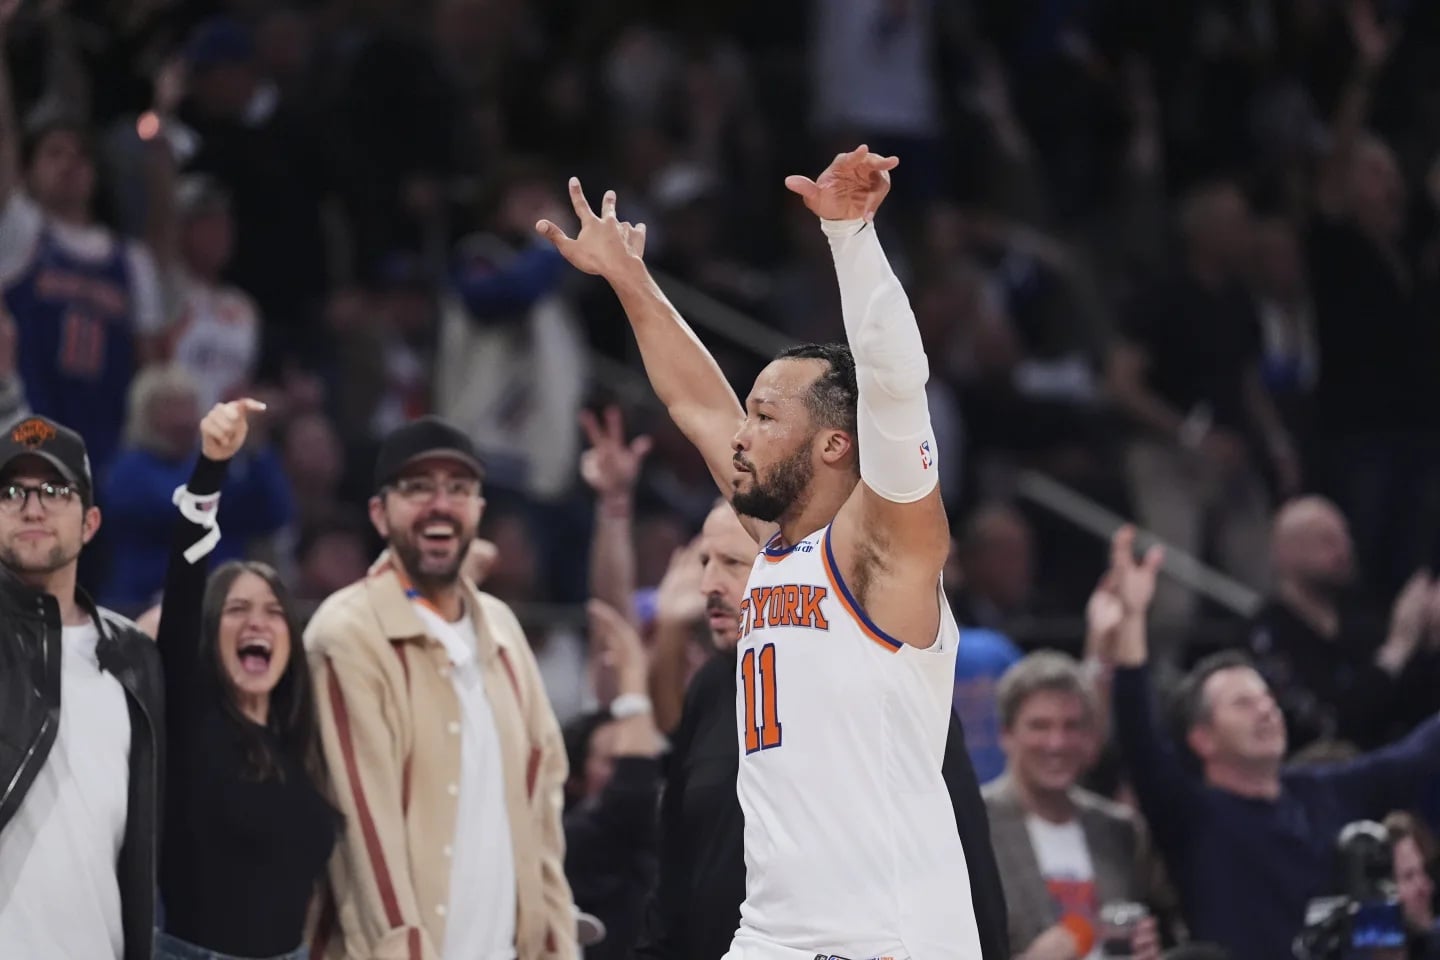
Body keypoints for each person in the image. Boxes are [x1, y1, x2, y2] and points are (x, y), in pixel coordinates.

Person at [540, 145, 979, 958]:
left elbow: (894, 385)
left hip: (883, 938)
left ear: (835, 444)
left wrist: (851, 239)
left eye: (767, 417)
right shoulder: (777, 546)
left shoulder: (882, 554)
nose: (741, 433)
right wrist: (630, 281)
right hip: (774, 932)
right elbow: (694, 403)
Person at [1099, 526, 1440, 960]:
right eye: (1243, 704)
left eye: (1267, 699)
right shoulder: (1192, 815)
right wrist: (1131, 620)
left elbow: (1414, 757)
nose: (1266, 710)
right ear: (1203, 739)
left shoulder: (1322, 791)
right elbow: (1139, 736)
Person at [305, 415, 577, 960]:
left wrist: (557, 945)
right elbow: (365, 830)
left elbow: (541, 813)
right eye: (417, 488)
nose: (440, 505)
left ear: (478, 510)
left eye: (458, 489)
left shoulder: (503, 629)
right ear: (380, 514)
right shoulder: (349, 632)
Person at [150, 398, 335, 960]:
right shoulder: (189, 719)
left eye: (275, 612)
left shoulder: (297, 744)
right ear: (210, 637)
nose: (258, 622)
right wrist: (210, 468)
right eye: (237, 610)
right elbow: (184, 591)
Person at [0, 415, 162, 960]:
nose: (32, 507)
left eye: (54, 491)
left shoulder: (132, 655)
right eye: (11, 492)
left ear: (90, 523)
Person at [983, 651, 1161, 960]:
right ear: (1006, 735)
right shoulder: (972, 824)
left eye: (1071, 726)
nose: (1057, 743)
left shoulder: (1120, 830)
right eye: (1040, 726)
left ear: (1089, 737)